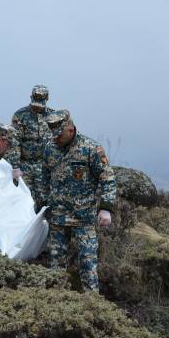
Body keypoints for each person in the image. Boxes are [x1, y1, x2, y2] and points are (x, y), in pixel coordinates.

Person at [42, 109, 116, 292]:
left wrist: (106, 208)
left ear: (70, 129)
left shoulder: (91, 148)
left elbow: (108, 178)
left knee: (88, 265)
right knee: (55, 267)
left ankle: (92, 307)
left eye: (58, 134)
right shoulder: (50, 148)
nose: (55, 138)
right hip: (58, 218)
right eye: (52, 134)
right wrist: (42, 202)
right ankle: (56, 305)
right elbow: (44, 176)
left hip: (83, 218)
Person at [5, 85, 54, 210]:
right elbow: (14, 141)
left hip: (45, 166)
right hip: (24, 165)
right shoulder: (20, 115)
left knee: (45, 200)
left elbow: (58, 142)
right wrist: (15, 166)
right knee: (25, 199)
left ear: (47, 99)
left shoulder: (53, 117)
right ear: (31, 97)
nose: (37, 107)